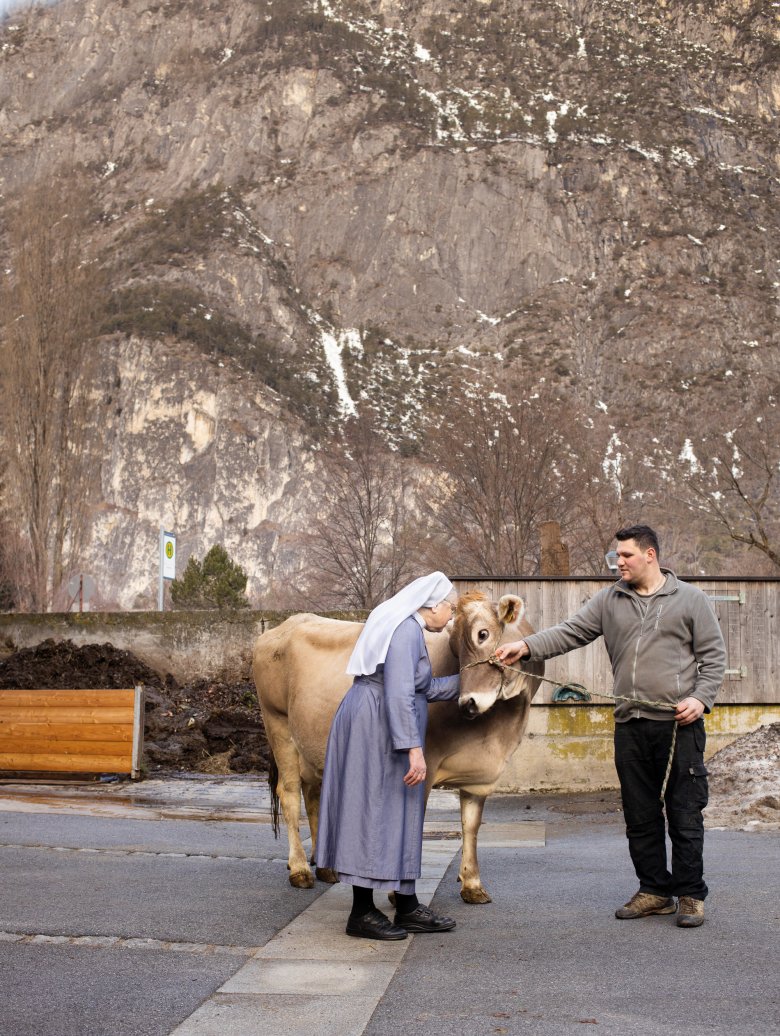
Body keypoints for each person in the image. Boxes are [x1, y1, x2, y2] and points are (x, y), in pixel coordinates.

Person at [496, 525, 726, 929]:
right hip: (630, 724)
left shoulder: (690, 600)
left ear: (650, 555)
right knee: (640, 815)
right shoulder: (609, 600)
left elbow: (714, 658)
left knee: (684, 813)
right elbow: (569, 632)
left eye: (625, 556)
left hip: (678, 726)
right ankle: (654, 891)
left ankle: (690, 894)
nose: (618, 562)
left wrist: (700, 699)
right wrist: (526, 647)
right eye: (615, 556)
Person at [317, 572, 461, 941]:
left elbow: (424, 687)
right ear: (431, 605)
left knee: (397, 807)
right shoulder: (406, 630)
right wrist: (414, 750)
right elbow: (398, 695)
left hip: (380, 719)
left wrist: (478, 676)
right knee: (369, 809)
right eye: (451, 608)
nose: (452, 617)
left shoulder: (408, 627)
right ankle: (361, 912)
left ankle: (408, 905)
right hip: (376, 724)